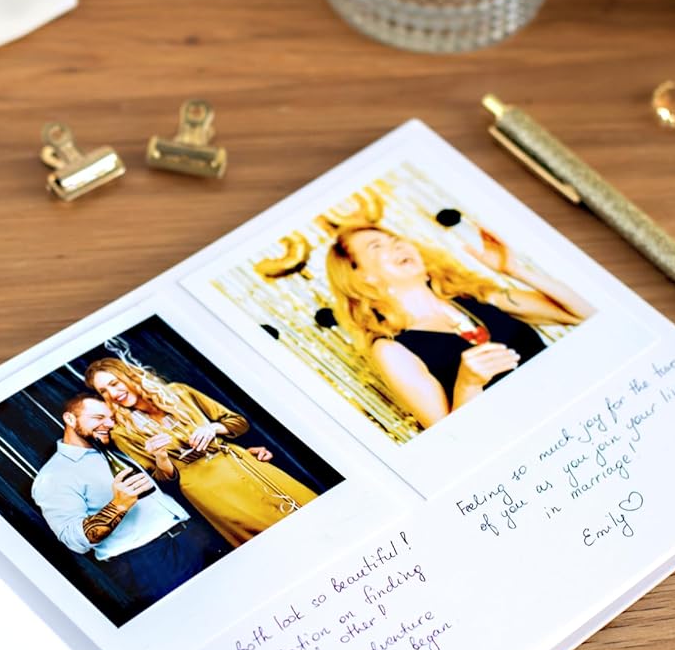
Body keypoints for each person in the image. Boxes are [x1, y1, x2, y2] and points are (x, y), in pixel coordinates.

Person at [325, 223, 591, 430]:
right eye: (376, 246)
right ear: (361, 275)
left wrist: (515, 270)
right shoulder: (391, 349)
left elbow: (580, 313)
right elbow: (451, 438)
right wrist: (468, 384)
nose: (398, 246)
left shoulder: (474, 296)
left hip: (579, 400)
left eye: (396, 240)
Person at [84, 357, 316, 547]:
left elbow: (238, 422)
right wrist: (160, 456)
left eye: (115, 383)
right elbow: (162, 480)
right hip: (209, 490)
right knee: (274, 539)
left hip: (243, 464)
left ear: (129, 375)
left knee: (310, 514)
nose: (113, 393)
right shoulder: (122, 432)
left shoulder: (179, 392)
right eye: (104, 391)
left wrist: (213, 428)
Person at [31, 393, 228, 611]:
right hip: (151, 562)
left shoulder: (113, 449)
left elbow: (159, 489)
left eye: (111, 418)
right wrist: (119, 505)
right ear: (69, 419)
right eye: (98, 418)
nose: (109, 424)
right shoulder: (53, 476)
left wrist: (161, 458)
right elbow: (74, 540)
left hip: (193, 536)